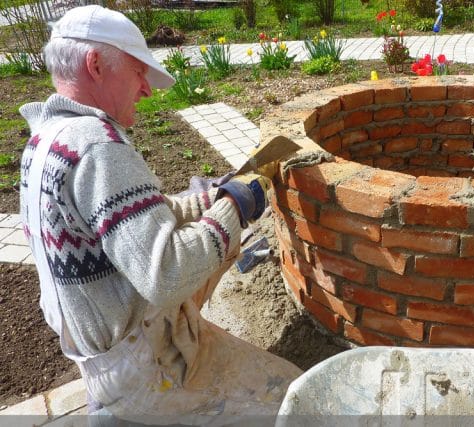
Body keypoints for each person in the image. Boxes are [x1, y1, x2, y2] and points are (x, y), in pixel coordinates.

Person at [19, 5, 302, 425]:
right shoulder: (99, 146)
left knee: (221, 249)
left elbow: (137, 221)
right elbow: (166, 274)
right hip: (144, 364)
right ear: (96, 65)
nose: (147, 89)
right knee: (297, 395)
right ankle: (144, 408)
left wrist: (212, 198)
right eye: (138, 73)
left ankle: (116, 409)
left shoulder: (47, 140)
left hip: (96, 350)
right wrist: (235, 209)